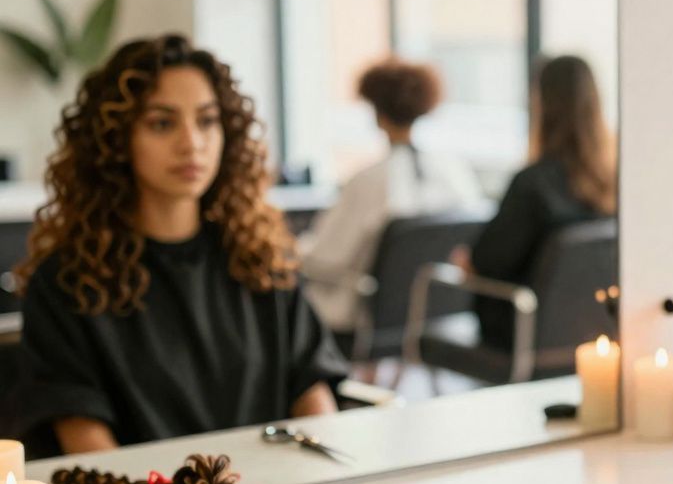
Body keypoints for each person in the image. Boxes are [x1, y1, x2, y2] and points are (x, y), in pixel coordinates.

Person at [11, 34, 347, 454]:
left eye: (207, 121)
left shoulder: (260, 260)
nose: (192, 143)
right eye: (162, 123)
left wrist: (316, 473)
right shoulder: (67, 283)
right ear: (116, 139)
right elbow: (85, 437)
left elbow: (312, 392)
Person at [300, 58, 484, 339]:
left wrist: (293, 251)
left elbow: (325, 259)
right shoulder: (454, 171)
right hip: (436, 317)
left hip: (363, 321)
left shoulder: (369, 181)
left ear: (377, 114)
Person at [454, 55, 617, 351]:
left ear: (541, 106)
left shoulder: (532, 184)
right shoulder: (612, 183)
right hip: (592, 329)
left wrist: (467, 262)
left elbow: (486, 262)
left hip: (521, 336)